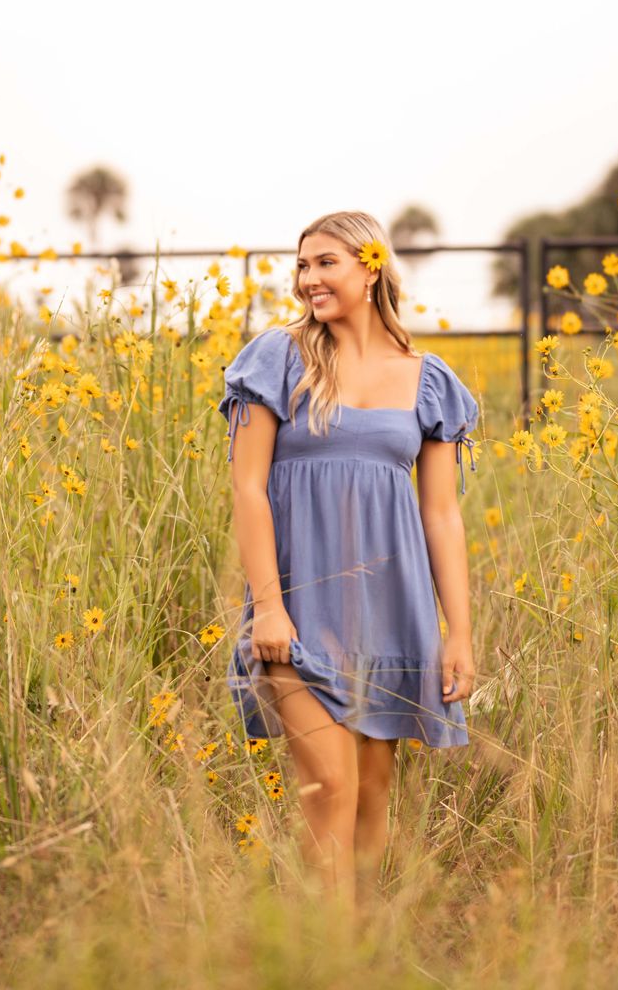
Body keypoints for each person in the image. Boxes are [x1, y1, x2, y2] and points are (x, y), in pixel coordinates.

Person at [217, 210, 481, 910]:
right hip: (299, 617)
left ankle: (357, 960)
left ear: (370, 267)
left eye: (325, 263)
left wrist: (460, 632)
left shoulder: (429, 382)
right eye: (302, 266)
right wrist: (268, 606)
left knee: (370, 803)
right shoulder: (276, 358)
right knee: (328, 789)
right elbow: (248, 488)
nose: (308, 280)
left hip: (393, 616)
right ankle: (317, 962)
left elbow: (442, 514)